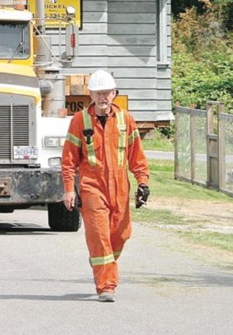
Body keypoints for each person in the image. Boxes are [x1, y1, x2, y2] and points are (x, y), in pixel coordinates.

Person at [61, 69, 150, 303]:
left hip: (120, 187)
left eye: (107, 93)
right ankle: (106, 286)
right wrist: (69, 187)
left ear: (114, 94)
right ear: (90, 94)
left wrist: (143, 182)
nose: (102, 98)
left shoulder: (126, 119)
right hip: (92, 186)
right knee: (100, 236)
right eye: (98, 93)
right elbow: (69, 159)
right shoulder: (80, 121)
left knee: (121, 235)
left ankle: (102, 260)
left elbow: (137, 155)